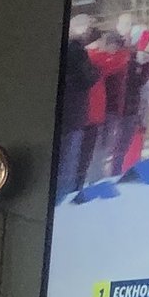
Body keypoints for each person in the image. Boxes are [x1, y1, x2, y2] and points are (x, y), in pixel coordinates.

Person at [57, 14, 100, 200]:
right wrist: (96, 69)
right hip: (74, 112)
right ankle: (64, 199)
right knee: (69, 161)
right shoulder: (77, 50)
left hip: (64, 112)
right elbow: (87, 78)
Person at [81, 29, 130, 187]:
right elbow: (118, 61)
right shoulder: (93, 57)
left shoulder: (98, 57)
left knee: (98, 148)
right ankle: (92, 180)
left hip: (98, 111)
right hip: (91, 112)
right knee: (91, 150)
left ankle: (95, 177)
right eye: (114, 48)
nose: (115, 52)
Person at [113, 24, 149, 175]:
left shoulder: (140, 60)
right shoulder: (134, 61)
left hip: (135, 108)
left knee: (129, 142)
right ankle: (122, 171)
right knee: (124, 145)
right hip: (131, 108)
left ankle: (127, 167)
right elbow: (138, 85)